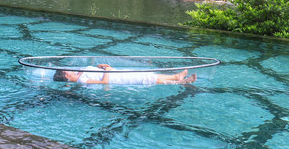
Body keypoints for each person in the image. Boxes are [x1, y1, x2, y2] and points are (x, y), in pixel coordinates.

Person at [52, 63, 197, 85]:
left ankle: (176, 77)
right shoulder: (82, 80)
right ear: (66, 76)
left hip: (117, 73)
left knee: (146, 74)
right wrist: (107, 71)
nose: (69, 70)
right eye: (67, 71)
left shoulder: (80, 71)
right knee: (145, 79)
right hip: (118, 79)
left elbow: (97, 72)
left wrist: (102, 66)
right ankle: (179, 81)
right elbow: (104, 83)